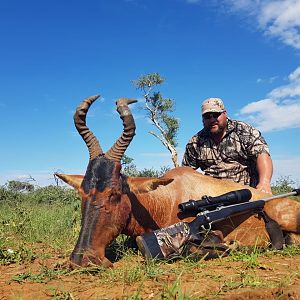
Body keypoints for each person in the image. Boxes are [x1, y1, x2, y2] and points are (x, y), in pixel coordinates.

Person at [182, 97, 273, 194]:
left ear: (224, 113)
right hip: (211, 196)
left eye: (216, 115)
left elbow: (262, 154)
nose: (212, 119)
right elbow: (186, 172)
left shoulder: (243, 130)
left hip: (246, 193)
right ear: (203, 119)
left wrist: (264, 182)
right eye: (207, 116)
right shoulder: (195, 142)